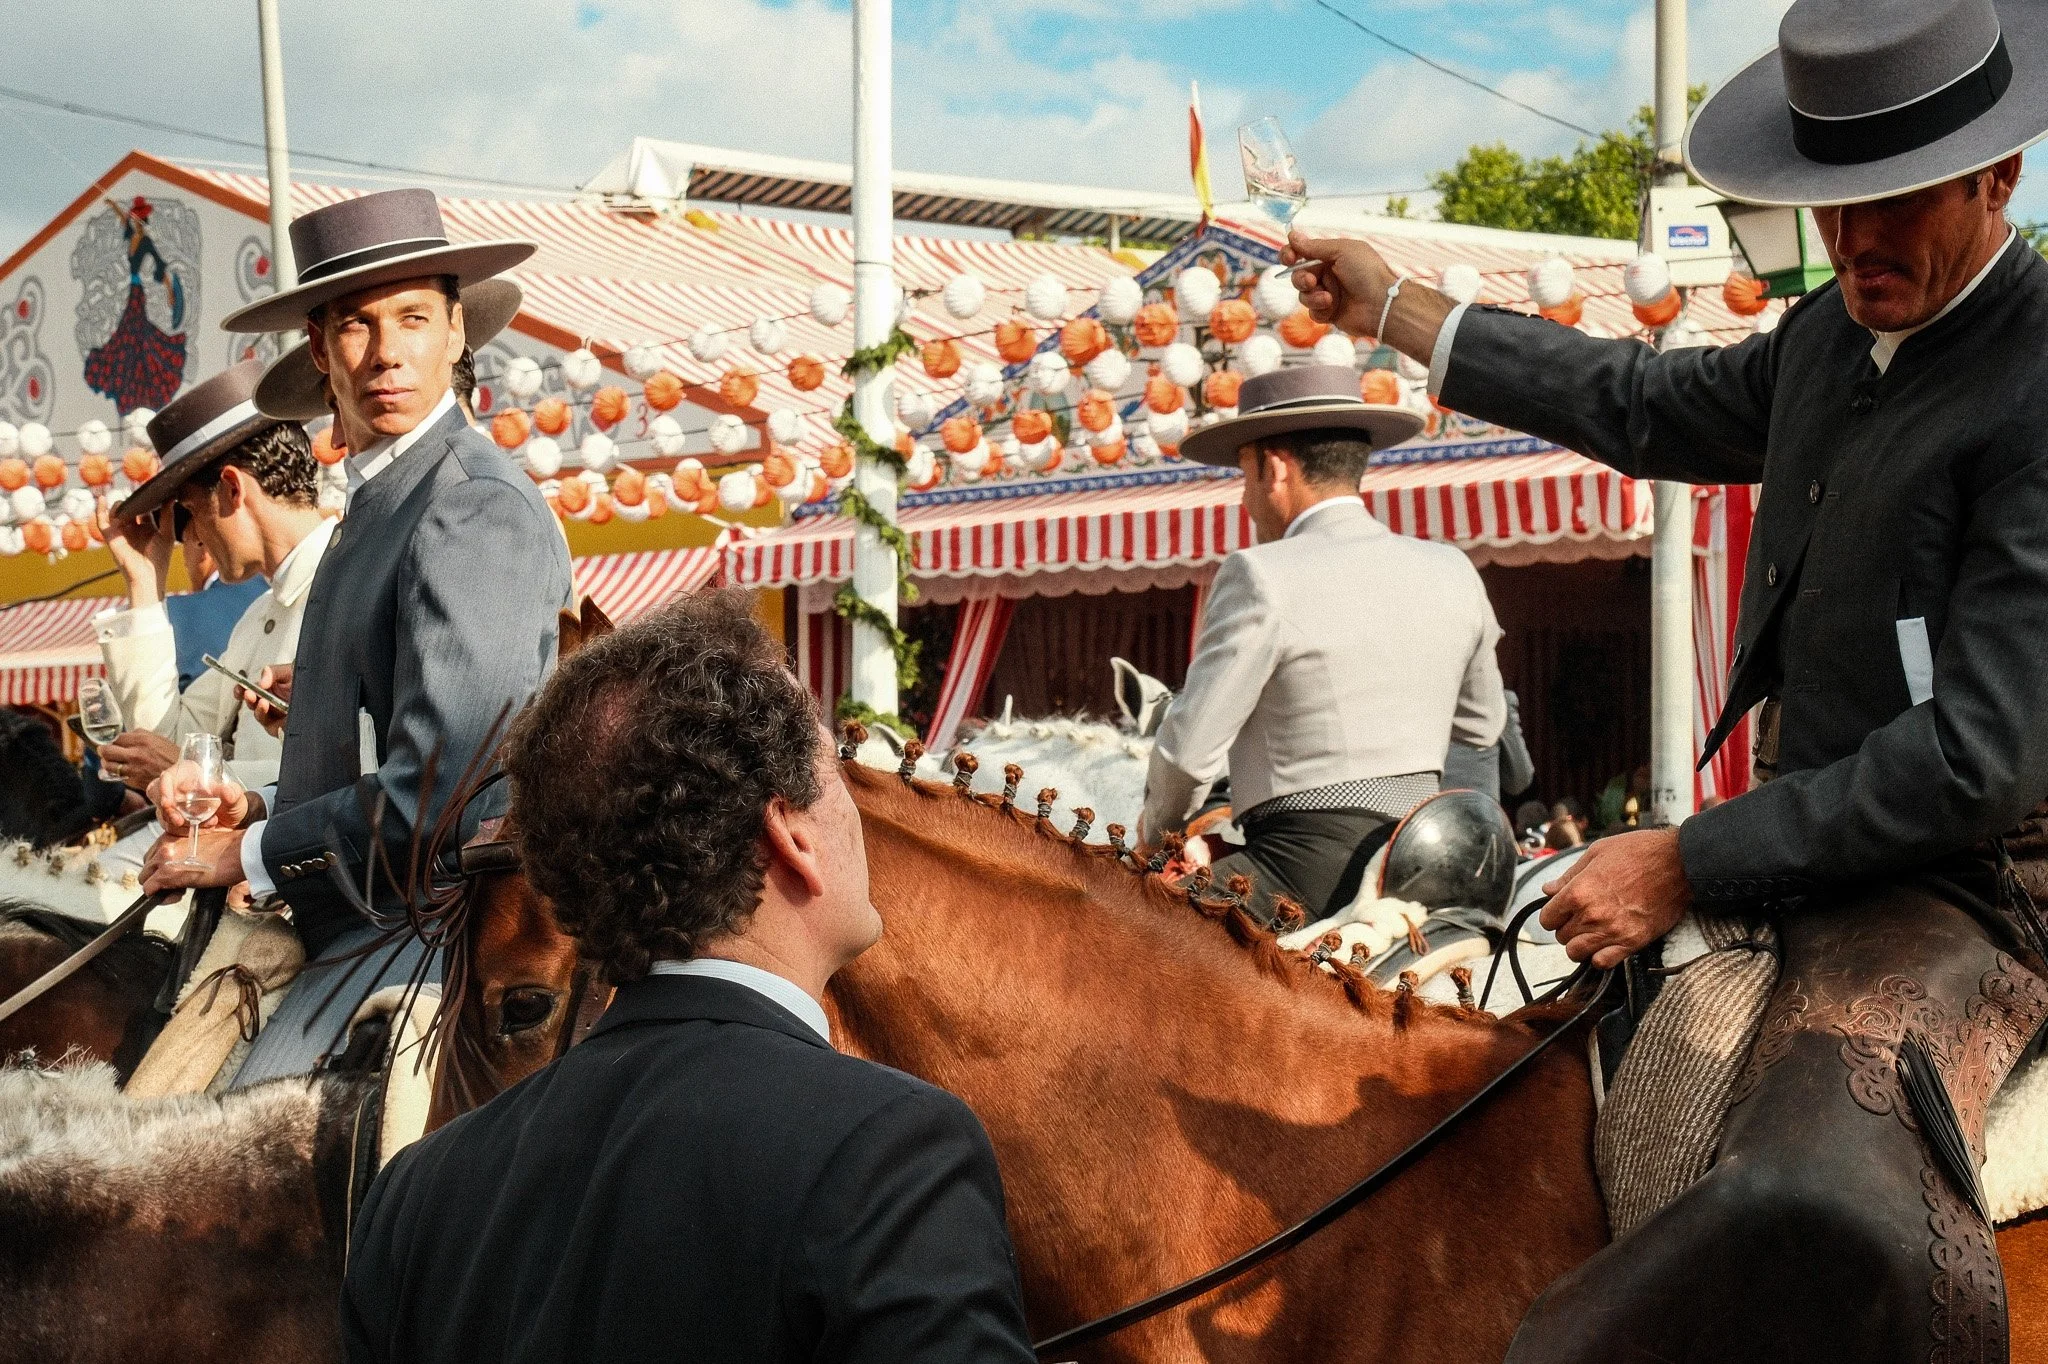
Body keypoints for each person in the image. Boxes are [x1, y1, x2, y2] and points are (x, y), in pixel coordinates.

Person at [1288, 0, 2048, 1355]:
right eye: (1834, 205)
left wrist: (1689, 858)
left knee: (1803, 1202)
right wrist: (1399, 307)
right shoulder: (1824, 339)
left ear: (1999, 175)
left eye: (1900, 200)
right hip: (1803, 859)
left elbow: (1976, 760)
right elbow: (1636, 402)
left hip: (1969, 891)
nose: (1858, 241)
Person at [341, 592, 1035, 1364]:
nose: (856, 816)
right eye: (835, 776)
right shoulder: (891, 1151)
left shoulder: (412, 1200)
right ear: (789, 833)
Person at [143, 188, 569, 1087]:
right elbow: (384, 758)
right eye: (355, 325)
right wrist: (260, 811)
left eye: (412, 318)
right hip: (356, 920)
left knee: (223, 1165)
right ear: (318, 349)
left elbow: (446, 791)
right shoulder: (379, 502)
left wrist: (249, 852)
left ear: (455, 332)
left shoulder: (470, 501)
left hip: (430, 943)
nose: (385, 353)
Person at [1139, 365, 1507, 924]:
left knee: (1114, 958)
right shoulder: (1451, 567)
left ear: (1275, 468)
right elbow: (1483, 725)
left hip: (1306, 866)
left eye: (1244, 476)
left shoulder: (1258, 574)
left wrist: (1155, 836)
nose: (1245, 500)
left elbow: (1189, 754)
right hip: (1434, 857)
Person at [92, 358, 333, 795]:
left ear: (231, 488)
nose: (194, 538)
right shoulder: (258, 616)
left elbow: (361, 778)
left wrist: (204, 775)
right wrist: (144, 583)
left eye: (193, 511)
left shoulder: (357, 583)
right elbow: (162, 746)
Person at [1444, 686, 1533, 804]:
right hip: (1480, 817)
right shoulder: (1499, 702)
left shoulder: (1418, 700)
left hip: (1425, 816)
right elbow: (1519, 781)